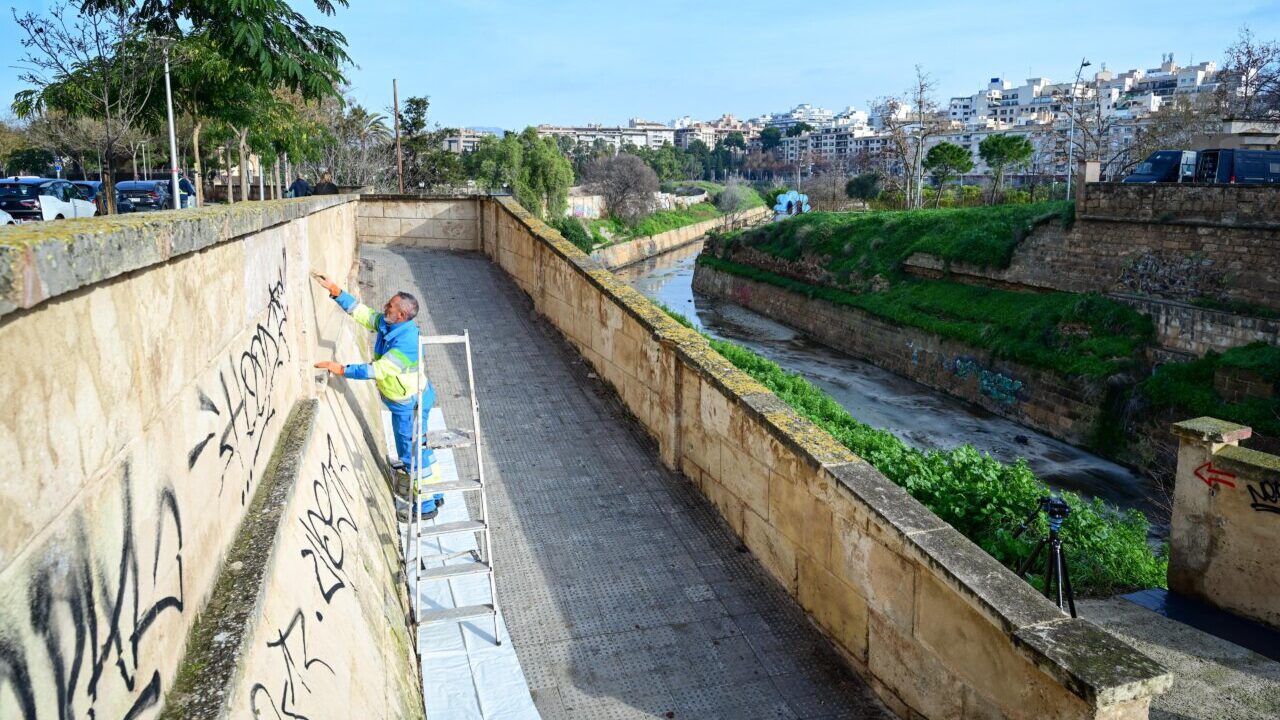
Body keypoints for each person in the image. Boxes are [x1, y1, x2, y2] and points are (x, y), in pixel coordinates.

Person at [311, 272, 443, 522]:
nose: (385, 307)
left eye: (390, 306)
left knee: (410, 454)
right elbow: (366, 315)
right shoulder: (391, 324)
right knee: (421, 448)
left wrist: (341, 369)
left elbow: (377, 370)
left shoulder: (406, 343)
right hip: (414, 397)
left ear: (401, 314)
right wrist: (337, 291)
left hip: (409, 405)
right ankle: (435, 493)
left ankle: (425, 507)